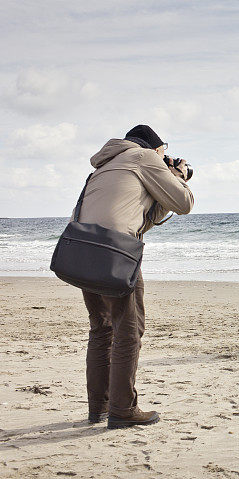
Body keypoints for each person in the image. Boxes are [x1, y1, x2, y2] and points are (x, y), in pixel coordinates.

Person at [78, 125, 194, 428]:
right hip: (115, 251)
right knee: (129, 331)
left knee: (102, 329)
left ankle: (98, 408)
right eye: (164, 151)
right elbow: (183, 203)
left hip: (82, 246)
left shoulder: (106, 163)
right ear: (156, 148)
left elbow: (145, 216)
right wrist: (176, 176)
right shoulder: (144, 157)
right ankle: (122, 410)